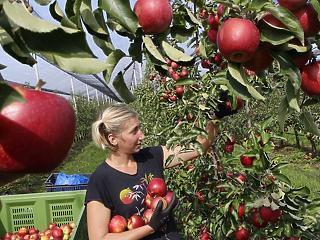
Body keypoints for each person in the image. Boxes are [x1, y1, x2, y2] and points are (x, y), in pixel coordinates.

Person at [85, 103, 218, 240]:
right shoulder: (101, 179)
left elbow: (197, 148)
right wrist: (150, 228)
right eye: (134, 131)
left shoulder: (151, 157)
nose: (142, 135)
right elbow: (99, 238)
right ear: (113, 139)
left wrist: (215, 118)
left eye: (139, 128)